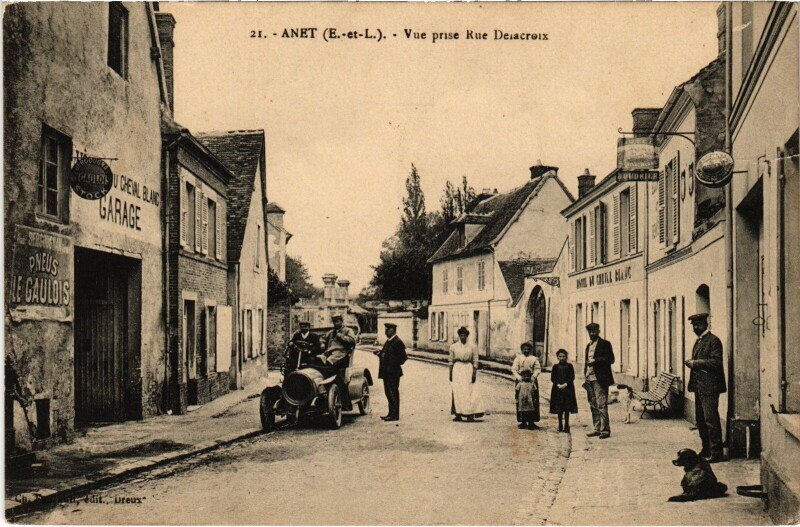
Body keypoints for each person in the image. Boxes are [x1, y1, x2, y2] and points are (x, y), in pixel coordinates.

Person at [684, 313, 727, 463]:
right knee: (701, 420)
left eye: (699, 324)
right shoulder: (699, 341)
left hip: (710, 387)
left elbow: (716, 362)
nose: (696, 327)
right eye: (694, 325)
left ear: (706, 324)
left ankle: (716, 452)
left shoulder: (714, 341)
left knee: (711, 420)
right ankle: (706, 448)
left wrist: (695, 363)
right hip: (699, 386)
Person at [583, 322, 615, 439]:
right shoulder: (588, 346)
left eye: (594, 331)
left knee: (601, 405)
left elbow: (611, 359)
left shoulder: (605, 344)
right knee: (593, 405)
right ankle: (597, 428)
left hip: (600, 379)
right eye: (590, 332)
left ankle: (605, 430)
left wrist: (596, 361)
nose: (592, 333)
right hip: (589, 378)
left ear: (598, 331)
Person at [449, 327, 485, 422]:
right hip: (457, 369)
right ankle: (458, 414)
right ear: (459, 336)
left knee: (470, 391)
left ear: (467, 336)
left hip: (468, 369)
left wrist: (474, 373)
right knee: (457, 391)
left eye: (464, 335)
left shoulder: (472, 347)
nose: (462, 337)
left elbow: (475, 360)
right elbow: (451, 360)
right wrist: (450, 373)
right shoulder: (454, 347)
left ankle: (470, 414)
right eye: (461, 335)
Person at [374, 322, 407, 422]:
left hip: (393, 373)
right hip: (386, 372)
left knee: (393, 393)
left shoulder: (397, 342)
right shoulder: (389, 341)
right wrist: (380, 354)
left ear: (392, 330)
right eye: (385, 330)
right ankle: (391, 413)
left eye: (387, 330)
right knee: (388, 393)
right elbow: (388, 355)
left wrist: (394, 365)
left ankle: (394, 415)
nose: (385, 332)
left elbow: (403, 358)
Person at [511, 342, 541, 429]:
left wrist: (534, 376)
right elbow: (514, 369)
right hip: (521, 380)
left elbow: (537, 369)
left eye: (528, 349)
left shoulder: (534, 359)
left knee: (533, 401)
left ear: (531, 350)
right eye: (524, 349)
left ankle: (532, 421)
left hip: (531, 381)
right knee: (521, 401)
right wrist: (519, 377)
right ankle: (523, 421)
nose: (526, 350)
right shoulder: (518, 358)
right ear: (522, 350)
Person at [549, 349, 578, 433]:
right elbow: (553, 378)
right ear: (557, 357)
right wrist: (558, 384)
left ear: (566, 357)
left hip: (568, 389)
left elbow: (572, 377)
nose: (562, 358)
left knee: (567, 408)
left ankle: (566, 425)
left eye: (564, 356)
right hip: (557, 390)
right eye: (560, 356)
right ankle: (560, 424)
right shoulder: (555, 366)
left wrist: (565, 384)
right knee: (559, 408)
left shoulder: (570, 366)